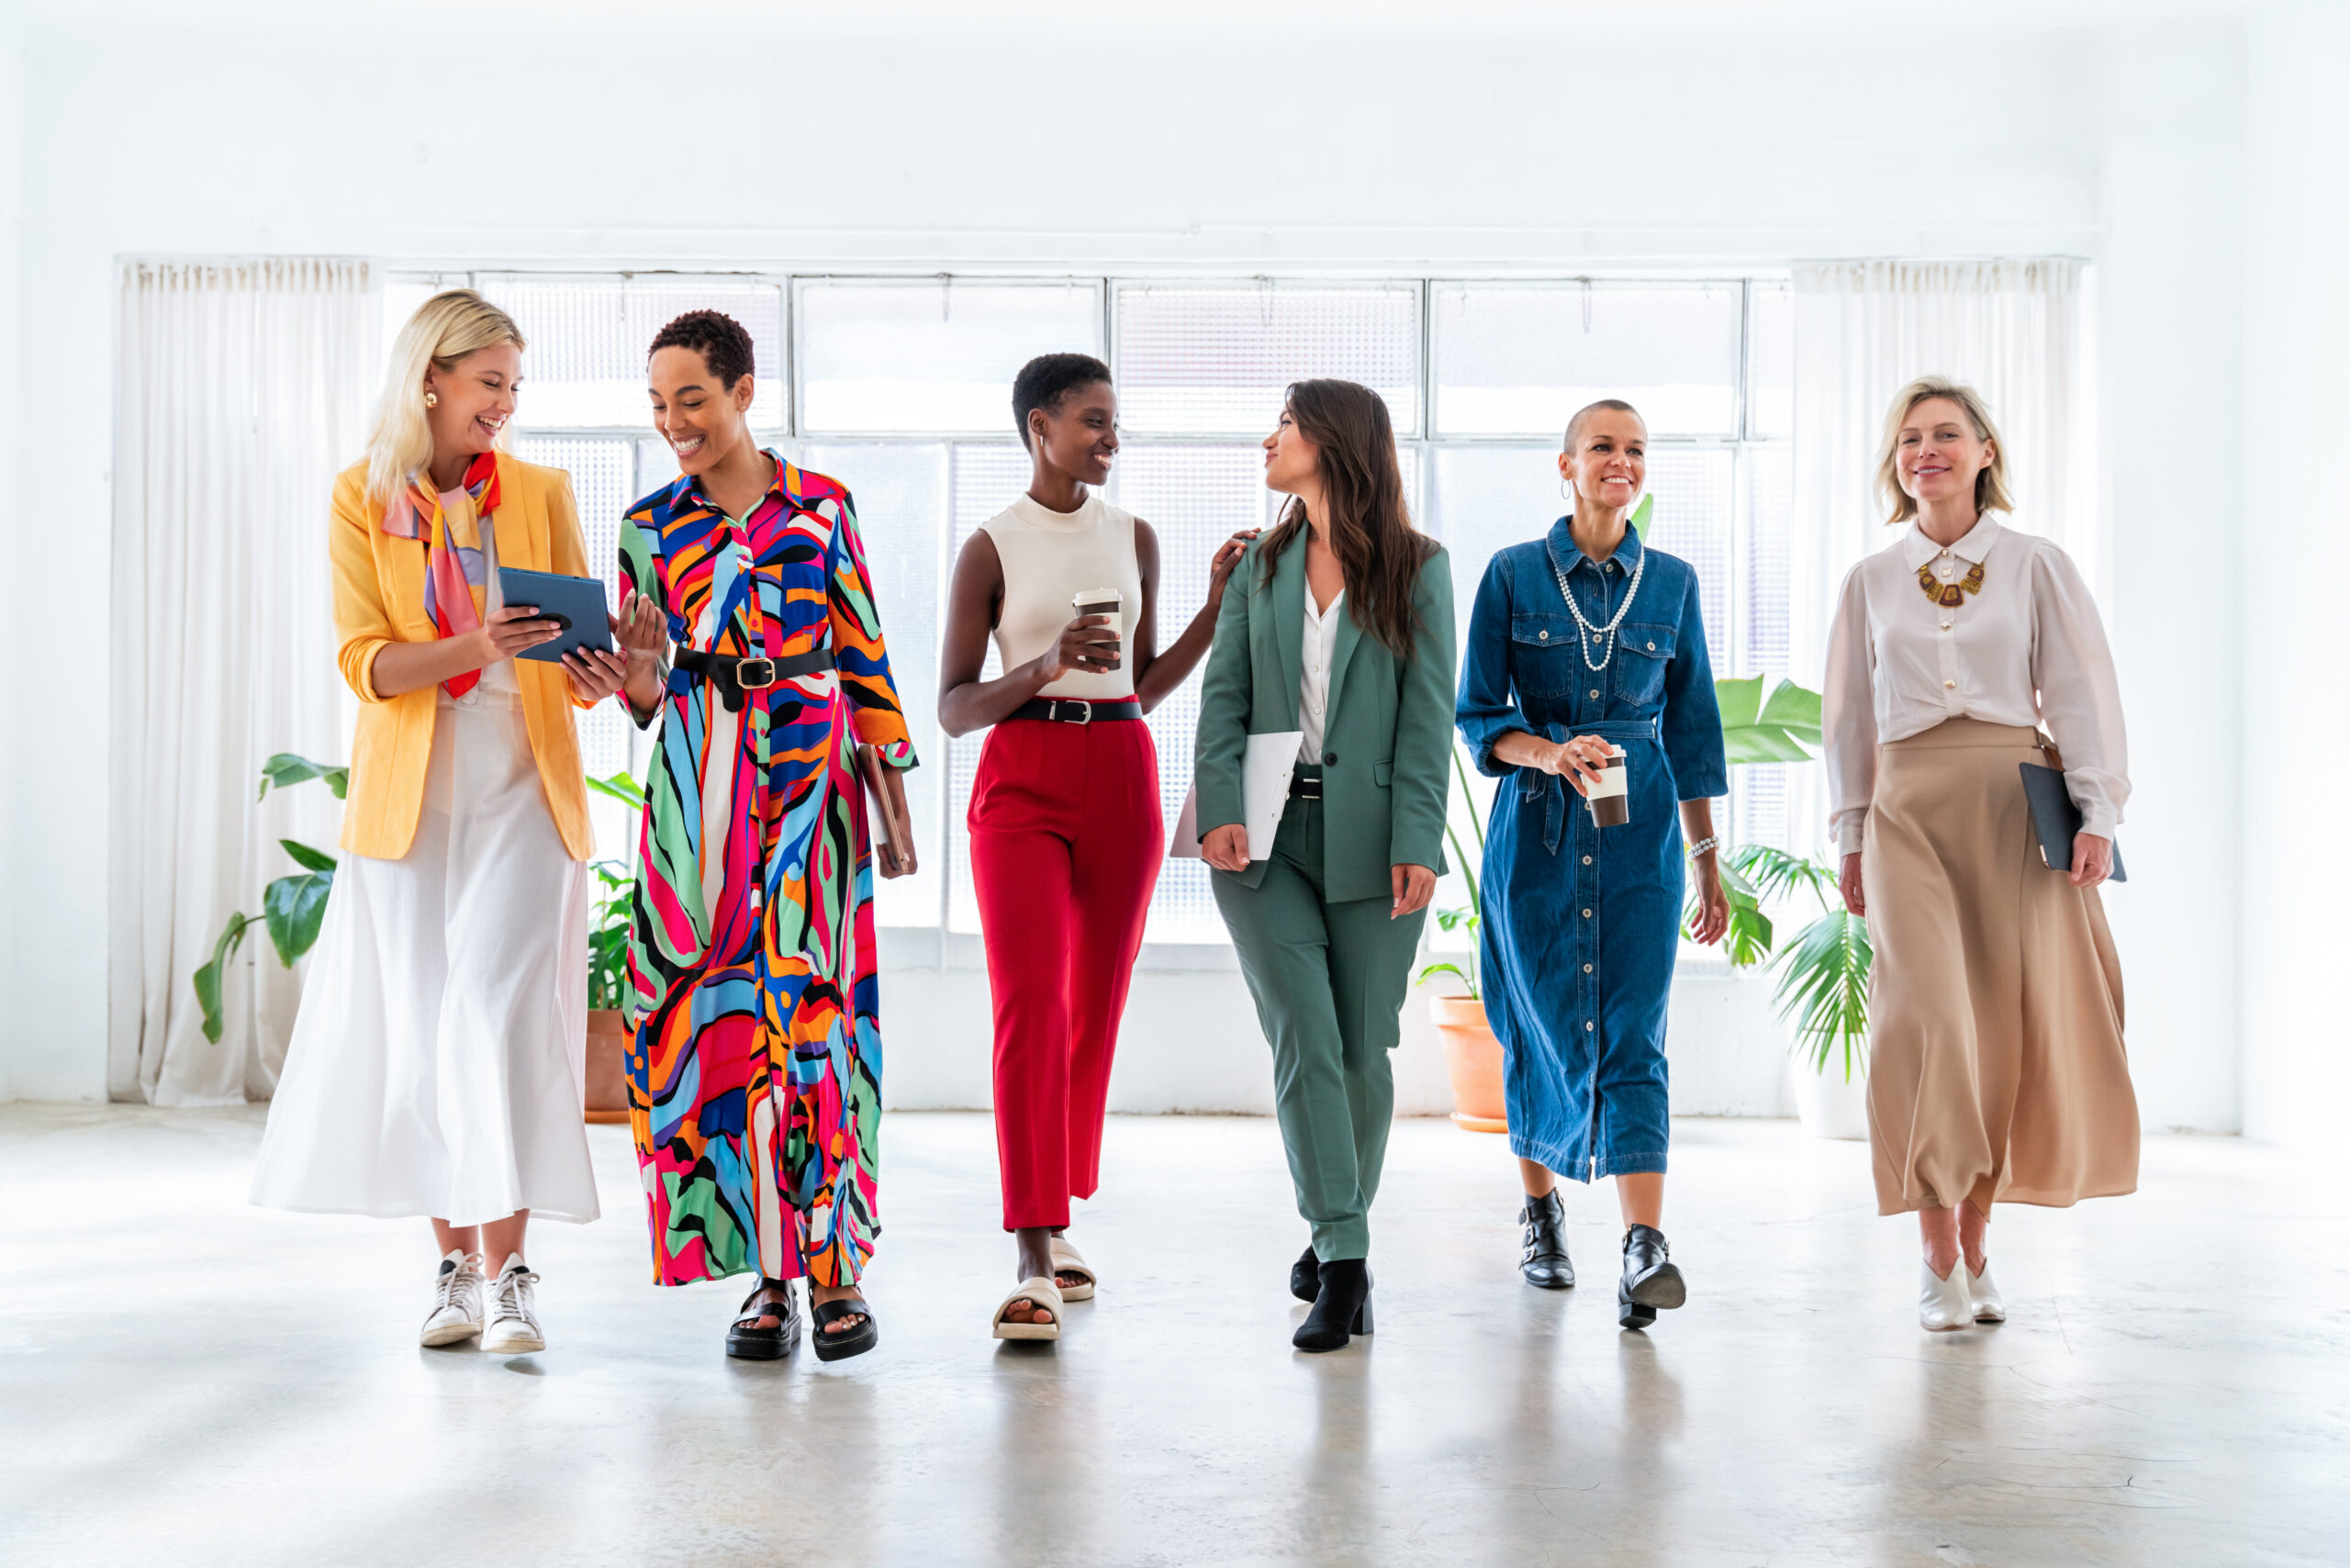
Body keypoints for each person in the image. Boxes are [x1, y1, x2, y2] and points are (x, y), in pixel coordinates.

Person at [251, 289, 633, 1353]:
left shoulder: (544, 491)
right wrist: (478, 647)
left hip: (523, 781)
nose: (506, 403)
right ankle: (454, 1271)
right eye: (490, 382)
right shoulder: (357, 498)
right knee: (426, 1028)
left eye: (515, 386)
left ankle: (512, 1271)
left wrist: (599, 671)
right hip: (410, 794)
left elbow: (570, 651)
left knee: (493, 1012)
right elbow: (365, 664)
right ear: (433, 377)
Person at [614, 309, 919, 1362]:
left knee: (817, 1021)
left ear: (743, 391)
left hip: (811, 782)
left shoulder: (821, 506)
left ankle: (834, 1267)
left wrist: (894, 794)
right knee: (718, 1030)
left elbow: (863, 646)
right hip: (696, 790)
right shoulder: (646, 528)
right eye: (657, 405)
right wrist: (644, 677)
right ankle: (764, 1280)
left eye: (690, 398)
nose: (673, 423)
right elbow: (644, 698)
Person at [939, 352, 1252, 1343]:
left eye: (1115, 422)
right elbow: (952, 710)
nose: (1109, 437)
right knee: (1030, 1003)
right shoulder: (991, 546)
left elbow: (1145, 684)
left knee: (1094, 1005)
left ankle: (1059, 1209)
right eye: (1092, 421)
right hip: (1020, 779)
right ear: (1039, 425)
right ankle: (1032, 1247)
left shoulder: (1137, 536)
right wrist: (1045, 663)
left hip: (1120, 769)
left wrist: (1216, 600)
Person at [1823, 375, 2136, 1332]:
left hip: (2014, 806)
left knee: (1999, 1032)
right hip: (1907, 812)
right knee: (1924, 1023)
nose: (1928, 449)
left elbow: (2080, 691)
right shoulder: (1869, 581)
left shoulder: (2036, 563)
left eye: (1947, 434)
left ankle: (1979, 1240)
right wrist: (1848, 831)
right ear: (1895, 462)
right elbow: (1849, 718)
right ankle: (1934, 1252)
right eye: (1910, 437)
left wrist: (2097, 811)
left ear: (1984, 451)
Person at [1454, 398, 1729, 1331]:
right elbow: (1476, 713)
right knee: (1530, 1022)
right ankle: (1540, 1214)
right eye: (1602, 447)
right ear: (1564, 464)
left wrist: (1707, 863)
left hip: (1640, 829)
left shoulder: (1674, 583)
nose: (1621, 461)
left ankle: (1644, 1243)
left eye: (1636, 449)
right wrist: (1549, 752)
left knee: (1633, 1027)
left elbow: (1692, 735)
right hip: (1534, 826)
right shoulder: (1511, 575)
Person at [1198, 377, 1455, 1353]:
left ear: (1334, 442)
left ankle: (1331, 1224)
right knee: (1304, 1035)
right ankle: (1344, 1262)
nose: (1269, 439)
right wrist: (1219, 808)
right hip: (1262, 840)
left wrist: (1415, 842)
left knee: (1360, 1048)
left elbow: (1427, 716)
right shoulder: (1259, 566)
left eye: (1288, 424)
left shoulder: (1418, 568)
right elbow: (1224, 695)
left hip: (1375, 839)